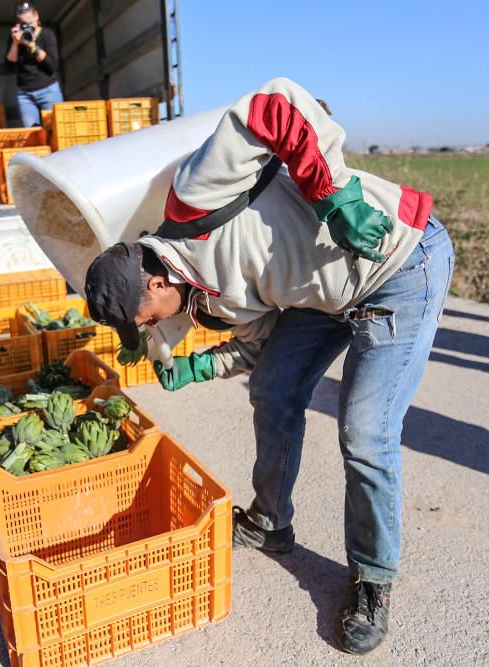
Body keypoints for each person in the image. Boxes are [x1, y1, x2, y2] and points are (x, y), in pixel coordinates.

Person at [84, 76, 453, 654]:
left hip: (398, 262)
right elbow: (259, 345)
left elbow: (275, 104)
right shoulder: (207, 303)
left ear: (155, 280)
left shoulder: (192, 200)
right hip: (325, 295)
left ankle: (373, 578)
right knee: (273, 388)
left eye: (145, 316)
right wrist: (198, 369)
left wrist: (338, 199)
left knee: (365, 433)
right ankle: (270, 521)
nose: (152, 328)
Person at [5, 2, 62, 127]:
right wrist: (15, 43)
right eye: (24, 24)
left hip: (48, 91)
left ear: (36, 16)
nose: (27, 28)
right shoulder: (17, 38)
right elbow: (9, 66)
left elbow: (52, 65)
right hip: (25, 95)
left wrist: (32, 46)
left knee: (55, 129)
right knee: (32, 132)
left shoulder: (47, 34)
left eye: (29, 23)